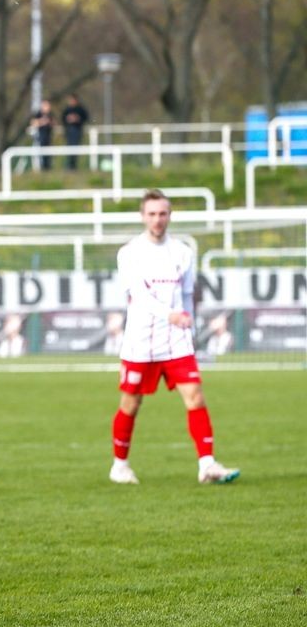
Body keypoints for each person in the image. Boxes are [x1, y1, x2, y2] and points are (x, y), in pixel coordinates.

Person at [109, 189, 240, 486]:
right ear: (143, 216)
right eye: (152, 214)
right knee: (131, 403)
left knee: (195, 396)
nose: (158, 219)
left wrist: (188, 330)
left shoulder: (182, 252)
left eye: (163, 213)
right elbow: (138, 296)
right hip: (140, 341)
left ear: (170, 215)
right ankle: (119, 465)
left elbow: (186, 295)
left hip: (176, 340)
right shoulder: (129, 253)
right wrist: (170, 315)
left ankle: (206, 464)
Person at [61, 93, 89, 170]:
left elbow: (85, 118)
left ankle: (74, 165)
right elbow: (63, 119)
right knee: (69, 148)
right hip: (69, 131)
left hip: (77, 131)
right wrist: (68, 119)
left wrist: (77, 119)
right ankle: (69, 165)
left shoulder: (80, 109)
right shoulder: (67, 109)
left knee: (76, 148)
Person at [29, 99, 54, 171]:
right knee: (40, 153)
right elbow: (33, 123)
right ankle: (41, 168)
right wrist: (42, 122)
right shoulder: (38, 114)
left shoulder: (50, 115)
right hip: (40, 137)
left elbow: (54, 123)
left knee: (48, 153)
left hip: (49, 136)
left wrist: (50, 122)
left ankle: (47, 168)